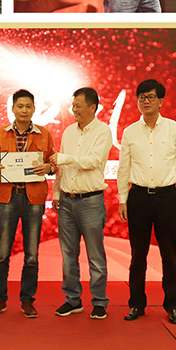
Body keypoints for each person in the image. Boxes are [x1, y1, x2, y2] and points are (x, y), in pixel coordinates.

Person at [117, 79, 176, 325]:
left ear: (161, 101)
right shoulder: (130, 132)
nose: (145, 101)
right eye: (141, 97)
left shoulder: (175, 129)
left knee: (169, 253)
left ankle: (173, 305)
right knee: (137, 255)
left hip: (166, 197)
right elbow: (123, 168)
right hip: (138, 197)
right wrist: (122, 199)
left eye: (150, 97)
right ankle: (136, 304)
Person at [0, 89, 55, 318]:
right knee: (2, 253)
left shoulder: (44, 134)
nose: (24, 110)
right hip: (7, 197)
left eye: (28, 106)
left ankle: (27, 300)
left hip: (33, 198)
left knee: (32, 254)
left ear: (34, 109)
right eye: (20, 106)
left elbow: (53, 161)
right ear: (13, 109)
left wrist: (49, 167)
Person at [49, 87, 113, 319]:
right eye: (73, 105)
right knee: (68, 256)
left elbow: (93, 161)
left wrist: (63, 158)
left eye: (78, 105)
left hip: (91, 202)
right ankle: (72, 299)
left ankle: (99, 301)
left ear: (92, 107)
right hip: (67, 201)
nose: (73, 109)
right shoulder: (69, 131)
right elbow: (62, 167)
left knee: (95, 256)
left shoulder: (103, 131)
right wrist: (57, 193)